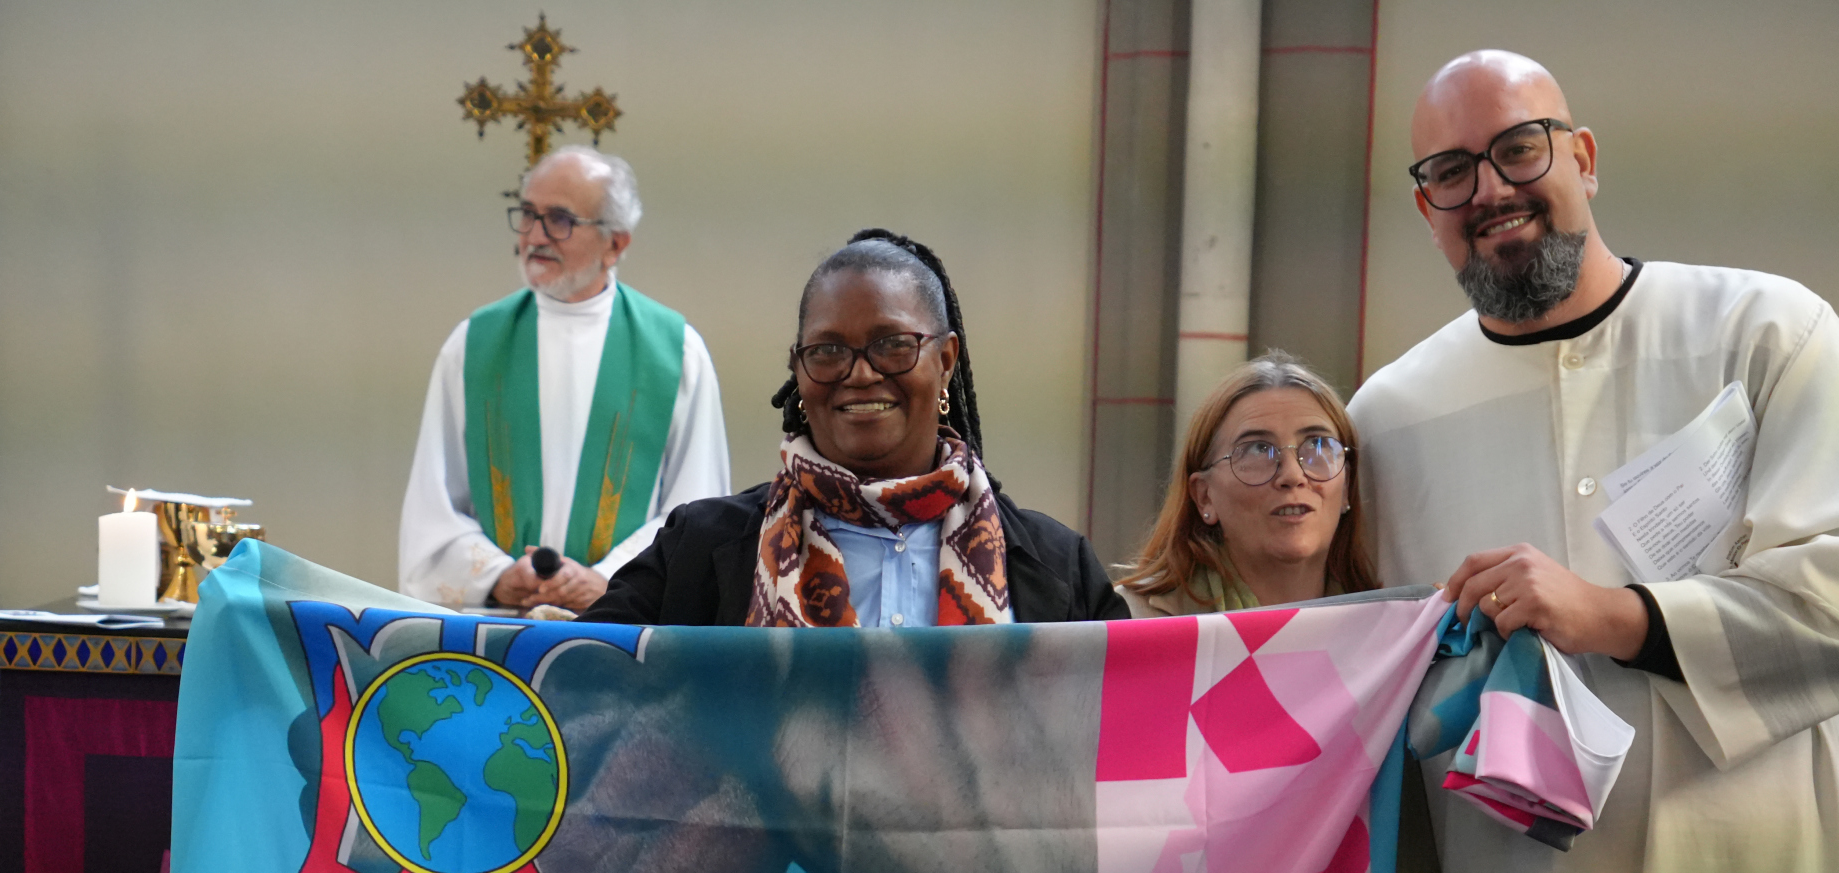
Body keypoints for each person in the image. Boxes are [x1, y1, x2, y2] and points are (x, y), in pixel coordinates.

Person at [1349, 49, 1839, 873]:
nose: (1489, 190)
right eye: (1449, 171)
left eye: (1518, 148)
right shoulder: (1387, 418)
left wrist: (1612, 614)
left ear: (1582, 153)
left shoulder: (1762, 332)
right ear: (1422, 205)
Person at [582, 230, 1126, 626]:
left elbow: (1127, 724)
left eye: (893, 345)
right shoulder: (698, 551)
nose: (861, 374)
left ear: (946, 360)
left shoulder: (1057, 566)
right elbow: (577, 688)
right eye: (828, 351)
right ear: (798, 370)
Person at [398, 145, 731, 611]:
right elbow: (433, 505)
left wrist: (609, 580)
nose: (535, 236)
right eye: (528, 214)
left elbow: (698, 509)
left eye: (559, 219)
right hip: (498, 631)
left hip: (622, 629)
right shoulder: (473, 346)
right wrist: (496, 575)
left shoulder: (676, 354)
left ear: (616, 244)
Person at [1116, 352, 1376, 615]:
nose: (1293, 476)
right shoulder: (1130, 620)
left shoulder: (1386, 624)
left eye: (1317, 445)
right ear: (1204, 496)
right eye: (1258, 449)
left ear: (1346, 486)